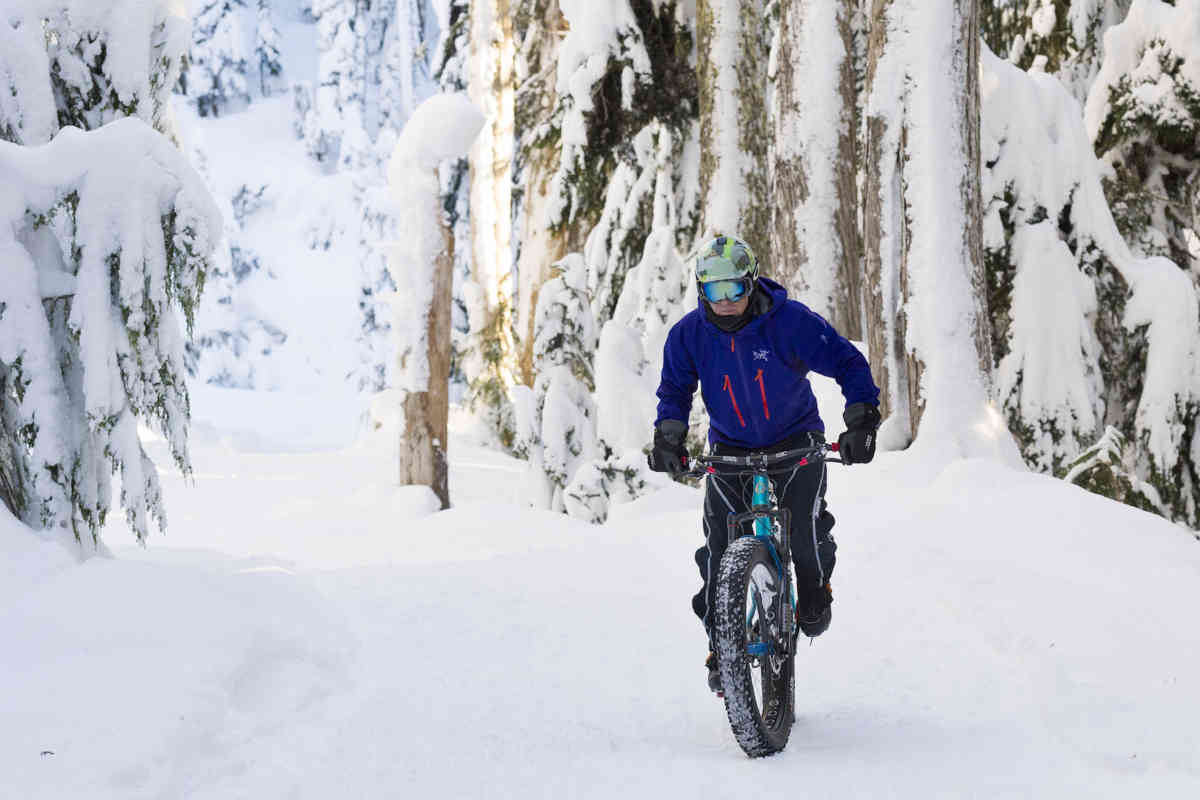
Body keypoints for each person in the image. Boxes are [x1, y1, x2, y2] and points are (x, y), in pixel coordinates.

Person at [646, 234, 881, 694]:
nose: (726, 301)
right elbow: (674, 391)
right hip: (730, 448)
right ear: (701, 291)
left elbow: (846, 362)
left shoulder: (788, 323)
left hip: (796, 442)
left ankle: (815, 591)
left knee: (803, 529)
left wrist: (861, 419)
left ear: (751, 284)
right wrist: (668, 437)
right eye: (715, 292)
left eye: (734, 289)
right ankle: (723, 643)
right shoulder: (689, 335)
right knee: (718, 547)